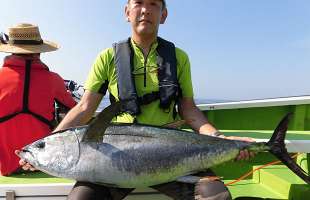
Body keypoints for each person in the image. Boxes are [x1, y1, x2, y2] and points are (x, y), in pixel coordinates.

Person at [19, 1, 254, 199]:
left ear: (163, 15)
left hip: (170, 152)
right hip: (113, 159)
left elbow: (189, 109)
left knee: (216, 195)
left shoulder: (179, 57)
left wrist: (220, 138)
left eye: (153, 4)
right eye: (138, 3)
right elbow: (84, 107)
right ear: (127, 12)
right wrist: (46, 146)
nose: (145, 10)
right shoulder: (108, 57)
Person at [0, 23, 76, 176]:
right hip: (45, 165)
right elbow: (77, 111)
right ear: (39, 52)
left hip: (6, 168)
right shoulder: (54, 80)